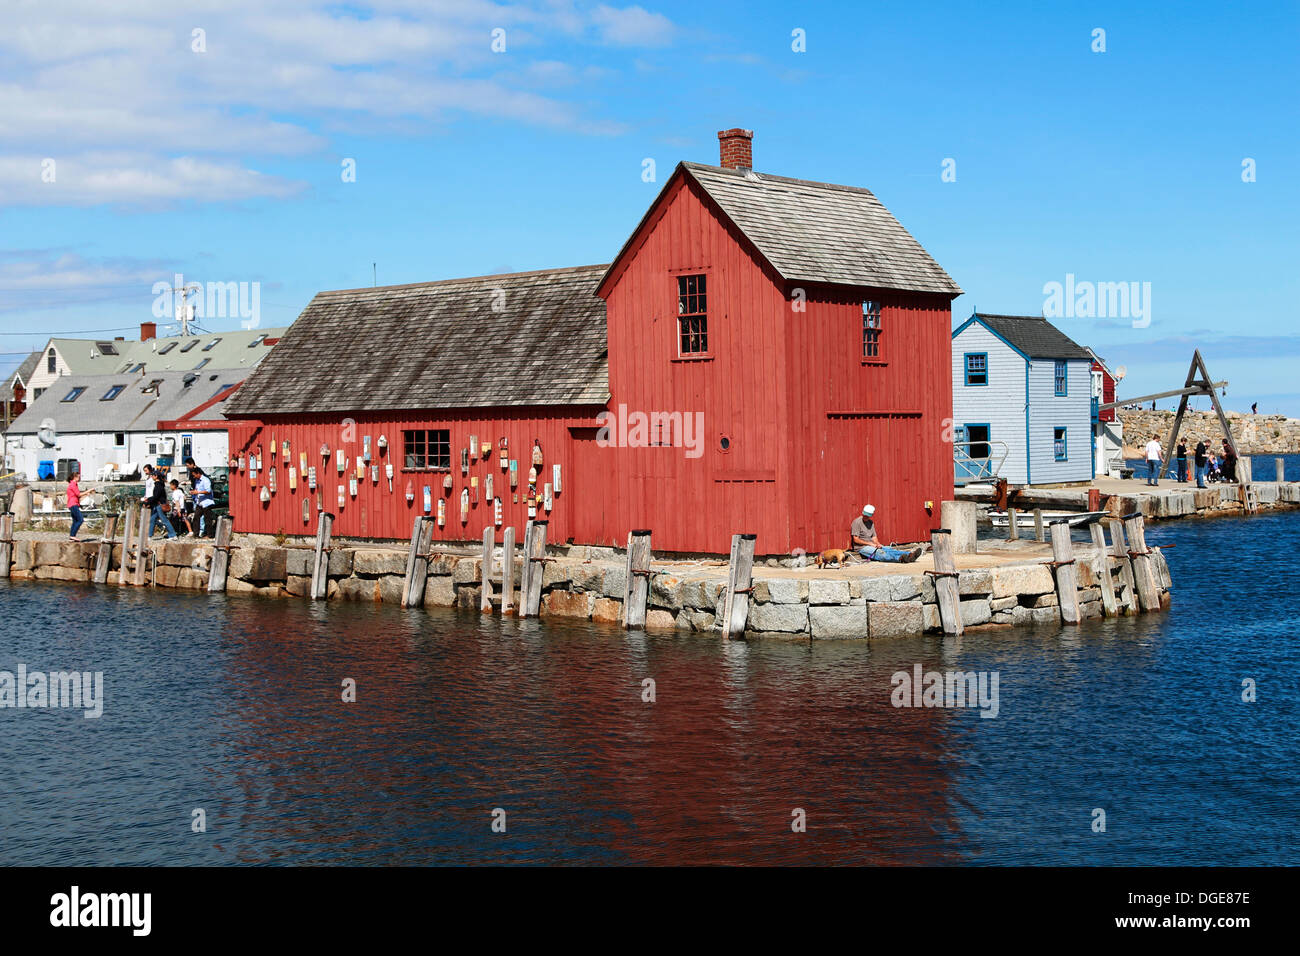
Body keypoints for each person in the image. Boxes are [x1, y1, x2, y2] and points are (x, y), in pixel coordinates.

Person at [850, 504, 921, 563]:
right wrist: (870, 544)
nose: (866, 517)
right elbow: (856, 539)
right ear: (863, 513)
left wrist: (877, 544)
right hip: (862, 547)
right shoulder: (857, 522)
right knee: (880, 553)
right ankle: (900, 558)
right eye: (865, 515)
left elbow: (874, 537)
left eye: (868, 515)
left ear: (871, 515)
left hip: (872, 545)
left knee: (888, 549)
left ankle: (910, 555)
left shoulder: (871, 523)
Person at [144, 465, 176, 539]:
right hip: (157, 504)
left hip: (160, 505)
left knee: (164, 520)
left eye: (153, 476)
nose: (152, 477)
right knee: (152, 519)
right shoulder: (160, 484)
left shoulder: (158, 485)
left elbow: (156, 496)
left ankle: (173, 534)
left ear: (156, 476)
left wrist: (148, 501)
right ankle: (149, 535)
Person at [190, 466, 216, 538]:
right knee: (196, 517)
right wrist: (194, 492)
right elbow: (197, 489)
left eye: (194, 475)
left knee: (207, 519)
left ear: (198, 473)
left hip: (206, 502)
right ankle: (196, 534)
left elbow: (208, 491)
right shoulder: (197, 481)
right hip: (200, 502)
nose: (194, 476)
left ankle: (209, 535)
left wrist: (198, 492)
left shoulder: (205, 480)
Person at [66, 470, 87, 541]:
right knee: (80, 520)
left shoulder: (73, 484)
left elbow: (76, 495)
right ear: (75, 477)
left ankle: (72, 536)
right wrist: (88, 491)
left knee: (75, 521)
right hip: (73, 504)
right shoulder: (73, 484)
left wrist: (86, 494)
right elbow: (78, 494)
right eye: (78, 477)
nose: (79, 478)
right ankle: (72, 535)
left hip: (73, 504)